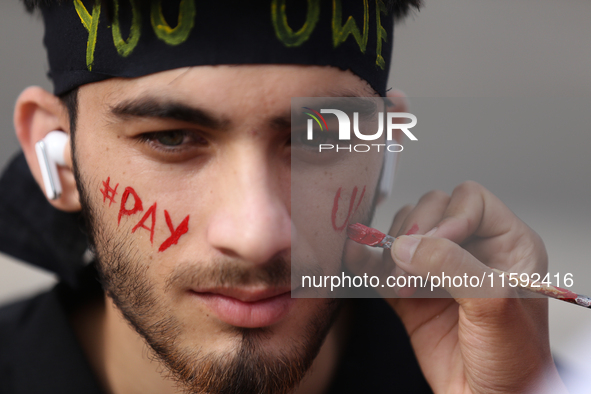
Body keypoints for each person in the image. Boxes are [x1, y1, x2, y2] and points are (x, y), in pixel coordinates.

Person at [0, 0, 569, 393]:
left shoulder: (507, 376)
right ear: (57, 155)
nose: (258, 235)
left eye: (318, 139)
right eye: (171, 138)